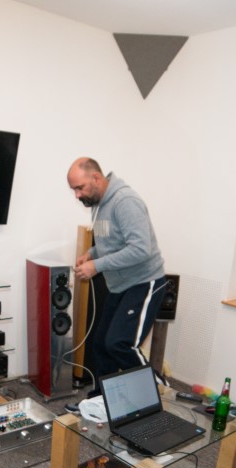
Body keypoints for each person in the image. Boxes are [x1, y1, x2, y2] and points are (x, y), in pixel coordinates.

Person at [67, 157, 168, 394]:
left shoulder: (125, 201)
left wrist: (97, 265)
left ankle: (160, 390)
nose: (77, 195)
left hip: (144, 282)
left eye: (79, 188)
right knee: (101, 344)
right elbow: (112, 242)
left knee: (120, 344)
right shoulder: (99, 203)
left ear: (96, 178)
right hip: (120, 285)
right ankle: (102, 401)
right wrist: (91, 254)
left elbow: (140, 249)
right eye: (74, 190)